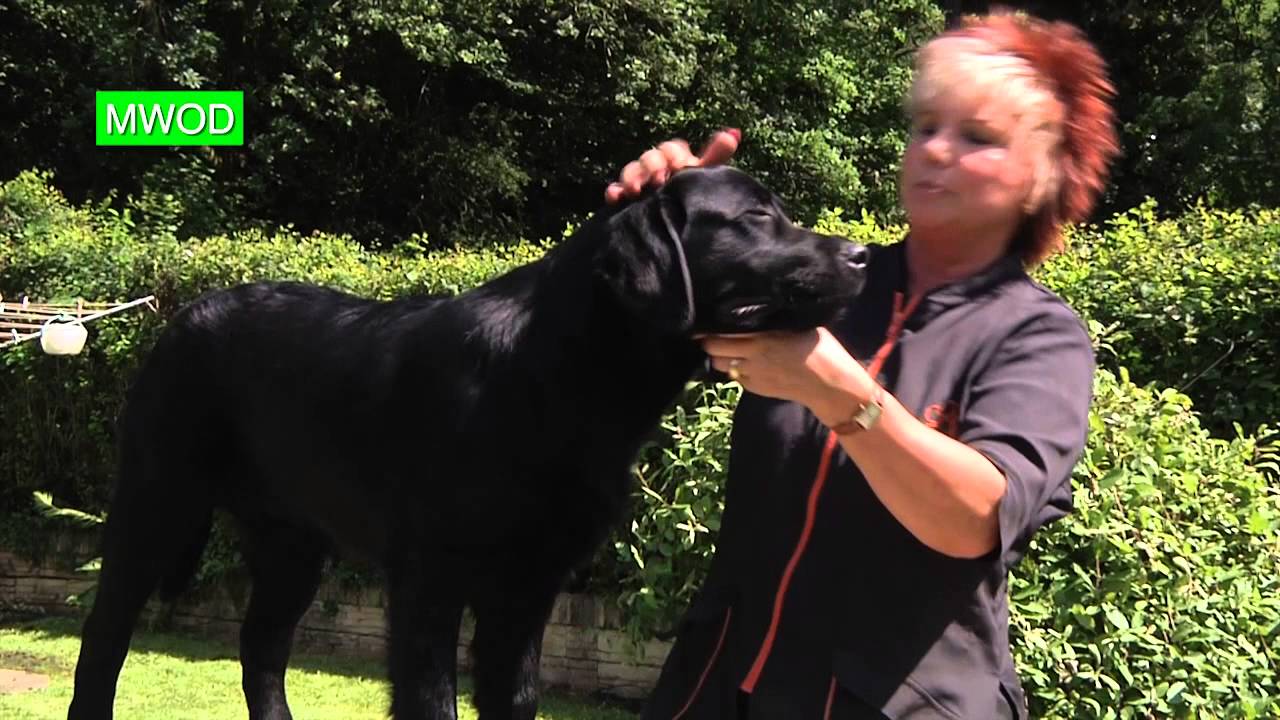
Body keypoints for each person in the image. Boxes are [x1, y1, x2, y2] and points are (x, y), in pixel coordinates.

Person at [604, 11, 1120, 720]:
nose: (935, 150)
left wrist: (843, 395)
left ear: (1041, 178)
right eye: (926, 126)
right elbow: (618, 336)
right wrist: (662, 221)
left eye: (978, 137)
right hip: (714, 689)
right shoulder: (818, 285)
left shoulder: (1038, 336)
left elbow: (976, 519)